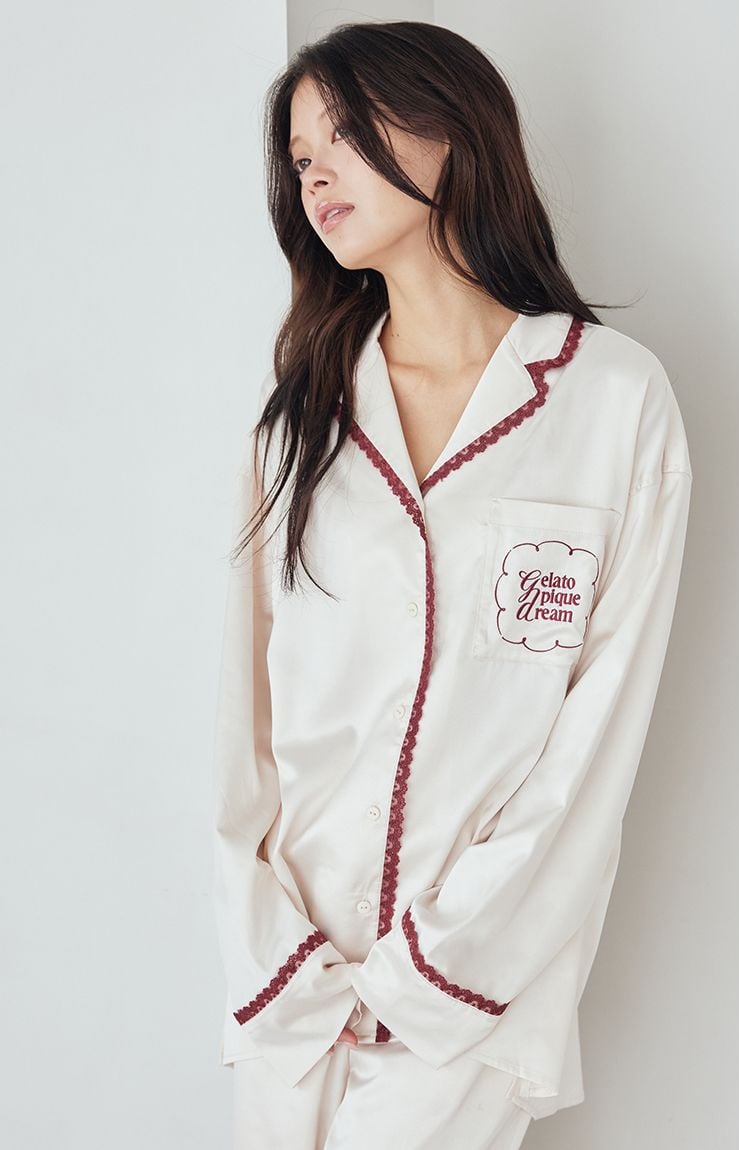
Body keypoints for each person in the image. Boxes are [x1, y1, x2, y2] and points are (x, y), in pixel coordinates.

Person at [210, 19, 693, 1150]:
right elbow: (246, 727)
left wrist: (437, 968)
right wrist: (271, 955)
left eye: (343, 134)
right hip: (296, 984)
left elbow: (596, 740)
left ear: (453, 130)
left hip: (471, 991)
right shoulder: (298, 422)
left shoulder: (609, 403)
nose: (314, 173)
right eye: (299, 156)